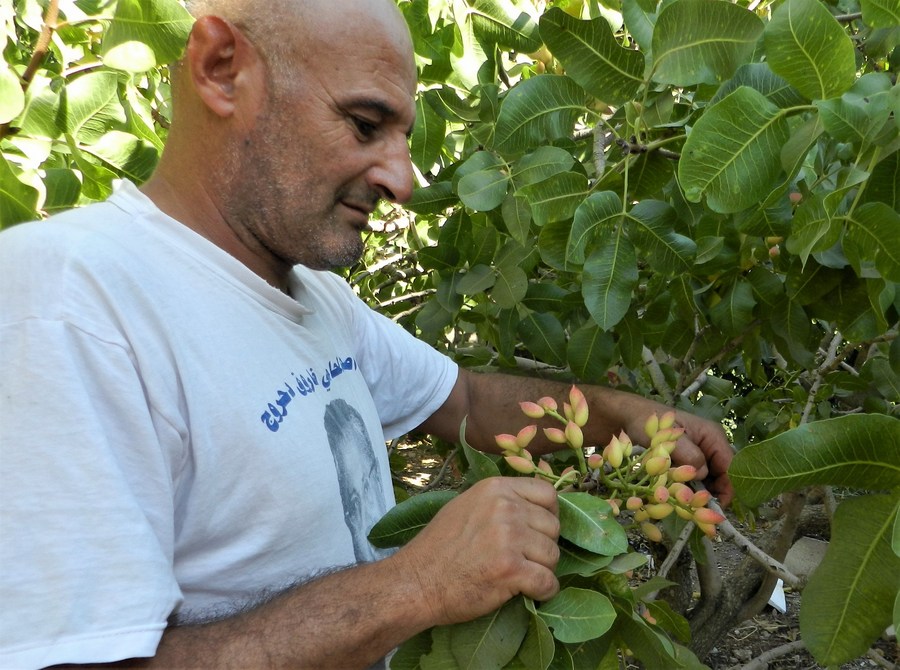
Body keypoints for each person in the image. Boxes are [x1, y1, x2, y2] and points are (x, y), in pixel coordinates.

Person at [0, 0, 734, 667]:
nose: (404, 179)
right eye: (363, 124)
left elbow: (467, 401)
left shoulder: (312, 295)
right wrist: (416, 585)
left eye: (402, 135)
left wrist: (618, 418)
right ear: (222, 70)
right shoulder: (67, 298)